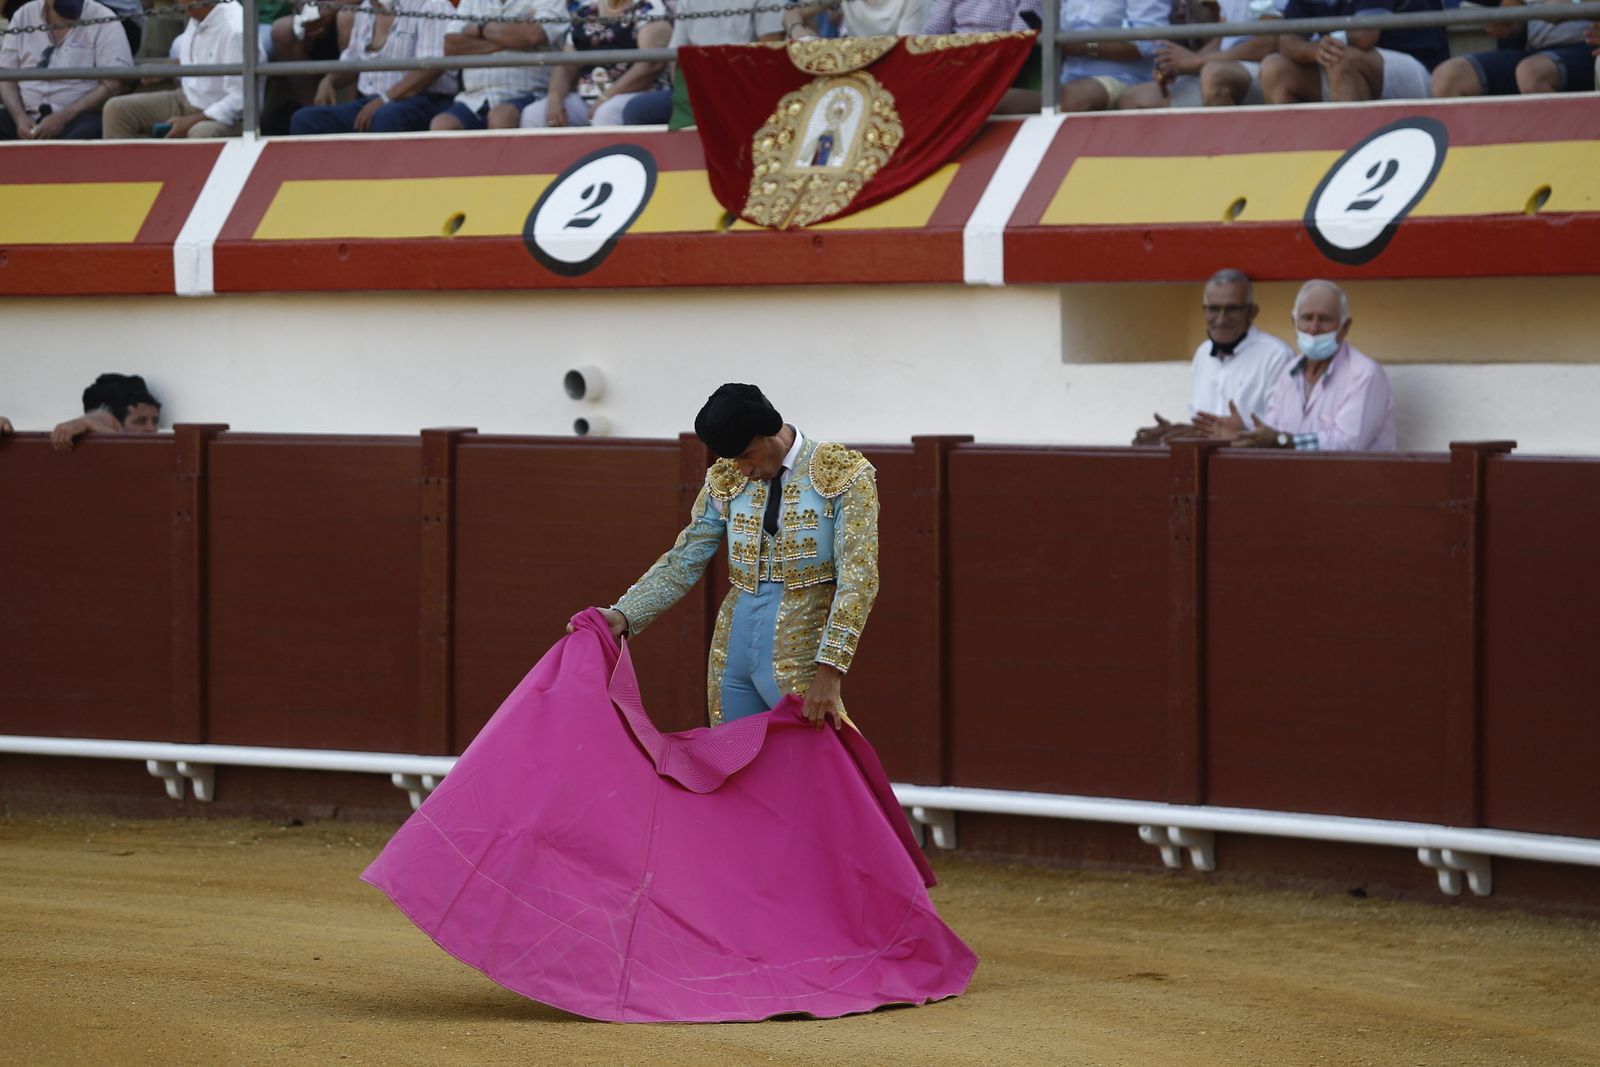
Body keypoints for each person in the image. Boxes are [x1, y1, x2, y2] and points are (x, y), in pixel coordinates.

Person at [577, 384, 881, 729]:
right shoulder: (724, 478)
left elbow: (859, 575)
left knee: (821, 772)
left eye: (747, 455)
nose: (743, 470)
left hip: (803, 656)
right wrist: (625, 614)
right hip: (731, 652)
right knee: (736, 772)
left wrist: (831, 668)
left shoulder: (844, 473)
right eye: (733, 460)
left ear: (769, 432)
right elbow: (685, 558)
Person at [1196, 279, 1396, 451]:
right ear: (1294, 323)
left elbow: (1346, 444)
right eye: (1307, 318)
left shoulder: (1364, 374)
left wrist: (1285, 441)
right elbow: (1272, 437)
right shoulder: (1289, 372)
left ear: (1345, 327)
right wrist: (1245, 435)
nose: (1314, 328)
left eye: (1325, 319)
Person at [1133, 268, 1295, 445]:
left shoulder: (1277, 356)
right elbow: (1206, 428)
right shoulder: (1202, 354)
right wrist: (1174, 433)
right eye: (1213, 309)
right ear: (1204, 311)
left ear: (1252, 312)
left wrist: (1244, 434)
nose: (1221, 319)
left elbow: (1285, 435)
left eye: (1231, 309)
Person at [288, 0, 459, 134]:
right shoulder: (366, 8)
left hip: (426, 100)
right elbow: (352, 61)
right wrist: (329, 80)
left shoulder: (434, 5)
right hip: (373, 102)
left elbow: (431, 68)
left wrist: (385, 99)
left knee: (386, 117)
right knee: (304, 120)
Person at [101, 0, 259, 138]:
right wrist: (165, 71)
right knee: (116, 110)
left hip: (229, 117)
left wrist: (193, 120)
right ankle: (132, 172)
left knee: (202, 132)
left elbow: (241, 99)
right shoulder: (200, 12)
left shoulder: (235, 30)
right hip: (188, 100)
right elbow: (203, 59)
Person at [511, 0, 669, 129]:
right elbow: (566, 65)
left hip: (634, 95)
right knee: (534, 115)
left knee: (607, 113)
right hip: (587, 98)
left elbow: (651, 65)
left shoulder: (649, 8)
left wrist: (605, 97)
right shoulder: (586, 10)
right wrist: (555, 99)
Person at [1261, 0, 1447, 103]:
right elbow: (1286, 40)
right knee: (1275, 68)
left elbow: (1365, 35)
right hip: (1348, 66)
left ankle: (1351, 154)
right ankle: (1296, 156)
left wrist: (1325, 46)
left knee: (1341, 58)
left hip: (1420, 71)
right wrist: (1314, 50)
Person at [0, 0, 132, 141]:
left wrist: (63, 117)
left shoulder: (104, 17)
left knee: (89, 131)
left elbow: (114, 84)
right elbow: (6, 76)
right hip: (27, 116)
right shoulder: (24, 14)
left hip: (78, 118)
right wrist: (19, 118)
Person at [428, 0, 567, 132]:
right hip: (475, 99)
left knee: (501, 116)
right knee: (442, 124)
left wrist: (481, 28)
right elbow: (451, 46)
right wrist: (513, 38)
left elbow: (533, 35)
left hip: (530, 93)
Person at [1119, 0, 1285, 108]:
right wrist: (1180, 65)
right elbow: (1222, 40)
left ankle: (1223, 158)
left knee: (1215, 74)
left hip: (1268, 73)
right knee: (1132, 98)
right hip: (1229, 69)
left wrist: (1197, 61)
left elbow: (1268, 44)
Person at [1431, 0, 1595, 98]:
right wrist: (1507, 23)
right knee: (1448, 76)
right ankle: (1474, 153)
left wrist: (1574, 5)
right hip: (1534, 52)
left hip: (1589, 48)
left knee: (1531, 72)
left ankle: (1562, 152)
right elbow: (1515, 12)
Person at [1056, 0, 1171, 112]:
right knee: (1040, 102)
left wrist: (1086, 47)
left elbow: (1147, 45)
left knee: (1074, 97)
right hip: (1067, 79)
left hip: (1126, 79)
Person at [50, 373, 162, 453]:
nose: (151, 428)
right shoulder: (110, 422)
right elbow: (101, 417)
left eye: (155, 421)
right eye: (140, 421)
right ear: (116, 423)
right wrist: (85, 422)